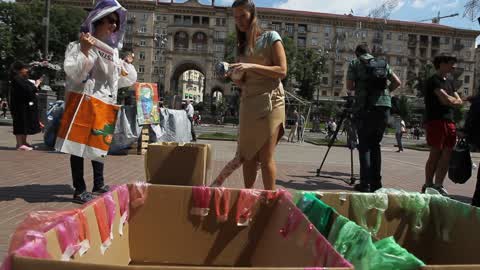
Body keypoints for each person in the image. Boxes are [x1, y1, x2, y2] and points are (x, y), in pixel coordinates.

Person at [63, 0, 137, 203]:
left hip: (104, 103)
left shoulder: (112, 52)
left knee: (99, 145)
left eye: (116, 22)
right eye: (110, 20)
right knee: (77, 146)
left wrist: (125, 65)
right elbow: (75, 74)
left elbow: (122, 80)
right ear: (98, 20)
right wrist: (85, 51)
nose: (114, 26)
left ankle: (98, 183)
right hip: (84, 101)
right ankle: (79, 189)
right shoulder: (80, 45)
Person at [215, 0, 286, 190]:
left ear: (253, 15)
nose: (239, 21)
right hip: (249, 102)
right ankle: (249, 201)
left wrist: (250, 65)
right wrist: (234, 76)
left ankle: (270, 203)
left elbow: (282, 70)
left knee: (265, 156)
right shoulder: (241, 46)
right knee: (248, 156)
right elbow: (243, 81)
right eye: (235, 17)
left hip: (271, 100)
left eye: (243, 16)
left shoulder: (271, 37)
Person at [347, 44, 401, 192]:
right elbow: (397, 82)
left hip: (365, 107)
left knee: (364, 146)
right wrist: (385, 93)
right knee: (375, 145)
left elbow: (350, 86)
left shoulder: (355, 63)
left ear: (357, 53)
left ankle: (365, 184)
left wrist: (360, 88)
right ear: (369, 52)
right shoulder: (382, 63)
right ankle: (376, 183)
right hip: (383, 107)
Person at [422, 54, 462, 196]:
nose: (454, 67)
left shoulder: (450, 82)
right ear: (441, 64)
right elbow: (446, 101)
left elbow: (459, 101)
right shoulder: (433, 81)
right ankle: (428, 184)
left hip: (449, 121)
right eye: (451, 63)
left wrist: (452, 99)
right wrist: (452, 100)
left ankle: (438, 184)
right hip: (435, 121)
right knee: (435, 153)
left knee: (447, 154)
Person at [9, 61, 42, 151]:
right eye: (25, 68)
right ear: (19, 70)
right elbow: (27, 90)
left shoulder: (22, 78)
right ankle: (20, 144)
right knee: (20, 123)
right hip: (20, 107)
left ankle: (24, 142)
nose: (27, 70)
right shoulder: (17, 79)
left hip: (25, 107)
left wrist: (35, 86)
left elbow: (30, 89)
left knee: (25, 124)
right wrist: (36, 85)